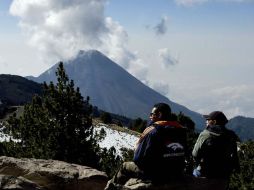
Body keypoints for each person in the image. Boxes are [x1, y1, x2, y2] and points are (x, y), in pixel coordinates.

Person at [105, 103, 187, 189]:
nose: (150, 117)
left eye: (152, 114)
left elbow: (138, 159)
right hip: (175, 172)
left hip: (156, 175)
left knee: (125, 166)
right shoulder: (180, 130)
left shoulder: (154, 130)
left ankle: (111, 187)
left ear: (159, 115)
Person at [192, 111, 240, 189]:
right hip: (223, 175)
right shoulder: (231, 135)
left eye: (208, 120)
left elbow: (195, 154)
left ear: (214, 122)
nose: (206, 122)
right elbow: (234, 156)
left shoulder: (205, 134)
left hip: (205, 173)